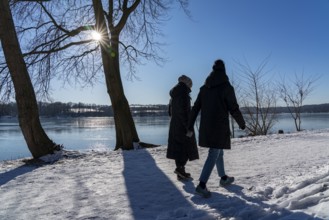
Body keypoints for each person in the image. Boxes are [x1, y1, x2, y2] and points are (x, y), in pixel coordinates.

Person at [187, 59, 246, 197]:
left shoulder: (203, 88)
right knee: (214, 153)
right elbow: (234, 108)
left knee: (219, 152)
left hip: (206, 128)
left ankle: (223, 178)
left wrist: (190, 125)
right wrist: (241, 123)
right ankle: (202, 185)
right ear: (223, 70)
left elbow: (195, 108)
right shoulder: (226, 87)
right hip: (219, 127)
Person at [167, 75, 199, 181]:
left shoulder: (174, 94)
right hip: (183, 125)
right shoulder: (183, 93)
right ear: (187, 84)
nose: (190, 88)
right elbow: (185, 113)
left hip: (174, 125)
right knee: (186, 147)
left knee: (179, 148)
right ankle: (180, 169)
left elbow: (169, 112)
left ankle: (180, 171)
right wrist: (188, 127)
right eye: (190, 85)